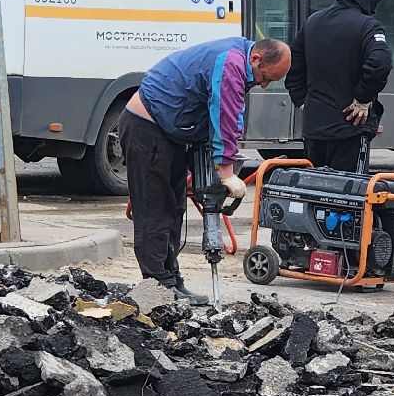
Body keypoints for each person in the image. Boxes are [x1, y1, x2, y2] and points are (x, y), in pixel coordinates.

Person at [121, 36, 291, 300]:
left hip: (169, 133)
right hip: (148, 128)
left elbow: (233, 116)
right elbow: (223, 113)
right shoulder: (232, 62)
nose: (264, 84)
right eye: (265, 77)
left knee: (174, 209)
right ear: (256, 58)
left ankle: (170, 280)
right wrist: (225, 172)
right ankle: (155, 289)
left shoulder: (241, 61)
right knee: (155, 210)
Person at [285, 0, 393, 173]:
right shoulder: (368, 26)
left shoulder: (312, 22)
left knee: (315, 193)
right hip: (350, 129)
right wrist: (363, 97)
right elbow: (380, 63)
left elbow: (294, 67)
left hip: (314, 130)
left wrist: (301, 100)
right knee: (351, 194)